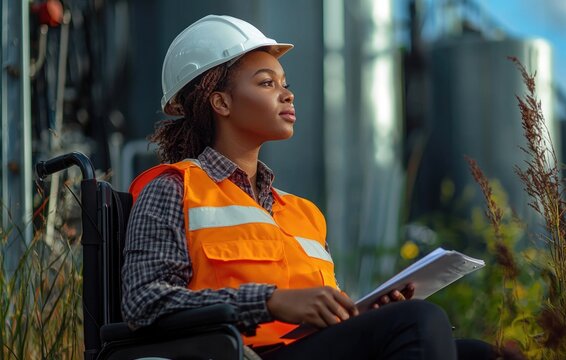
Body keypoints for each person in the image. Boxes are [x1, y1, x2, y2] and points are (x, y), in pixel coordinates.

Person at [122, 15, 498, 359]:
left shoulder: (303, 214)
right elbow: (144, 301)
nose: (288, 94)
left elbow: (320, 318)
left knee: (478, 354)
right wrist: (270, 302)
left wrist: (361, 312)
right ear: (221, 102)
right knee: (418, 322)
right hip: (238, 354)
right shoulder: (174, 188)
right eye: (267, 83)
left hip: (309, 350)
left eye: (285, 84)